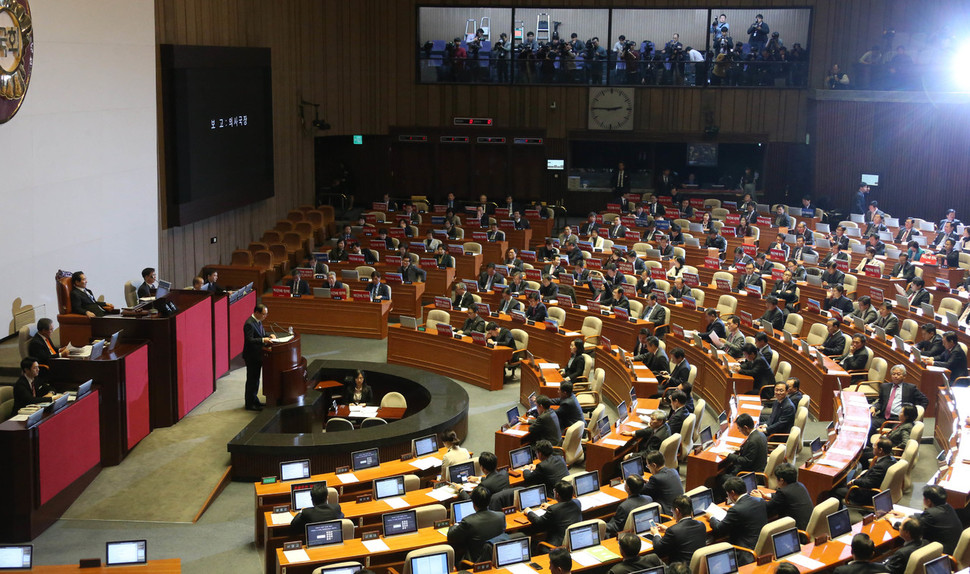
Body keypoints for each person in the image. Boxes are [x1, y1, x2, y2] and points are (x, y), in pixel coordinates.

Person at [709, 476, 768, 564]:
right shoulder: (759, 501)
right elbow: (747, 513)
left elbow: (719, 529)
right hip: (761, 546)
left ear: (732, 493)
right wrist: (730, 512)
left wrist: (711, 517)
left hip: (744, 551)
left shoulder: (736, 510)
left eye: (728, 494)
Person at [447, 485, 505, 562]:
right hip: (498, 558)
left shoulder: (468, 521)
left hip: (477, 561)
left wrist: (455, 525)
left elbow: (451, 536)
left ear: (473, 503)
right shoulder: (501, 516)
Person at [833, 438, 894, 506]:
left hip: (865, 495)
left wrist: (854, 481)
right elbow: (873, 474)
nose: (873, 447)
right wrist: (861, 476)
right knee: (841, 484)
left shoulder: (880, 467)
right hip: (871, 487)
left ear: (880, 450)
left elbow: (869, 483)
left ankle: (839, 512)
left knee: (835, 490)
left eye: (874, 445)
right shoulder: (890, 460)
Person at [525, 480, 583, 549]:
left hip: (557, 545)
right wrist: (551, 506)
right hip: (576, 540)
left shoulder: (554, 509)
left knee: (531, 541)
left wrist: (529, 512)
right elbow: (564, 508)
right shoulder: (577, 502)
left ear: (557, 494)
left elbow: (538, 521)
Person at [649, 495, 706, 564]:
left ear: (677, 511)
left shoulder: (673, 531)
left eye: (672, 511)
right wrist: (667, 529)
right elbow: (684, 534)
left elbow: (658, 549)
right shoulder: (701, 525)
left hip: (679, 569)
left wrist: (656, 533)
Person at [755, 463, 812, 530]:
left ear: (781, 480)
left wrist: (759, 498)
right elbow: (782, 497)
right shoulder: (800, 485)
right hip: (806, 526)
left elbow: (767, 507)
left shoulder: (783, 492)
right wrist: (767, 496)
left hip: (796, 531)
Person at [908, 485, 962, 554]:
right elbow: (925, 518)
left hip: (942, 553)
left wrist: (893, 520)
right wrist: (909, 515)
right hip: (953, 548)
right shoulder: (948, 507)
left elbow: (913, 527)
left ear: (928, 501)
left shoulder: (931, 514)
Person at [243, 304, 274, 410]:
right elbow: (250, 340)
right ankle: (249, 404)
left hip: (258, 355)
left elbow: (261, 335)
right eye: (264, 314)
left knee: (256, 380)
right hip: (251, 356)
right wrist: (262, 340)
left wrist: (269, 336)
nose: (265, 316)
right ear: (257, 313)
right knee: (252, 380)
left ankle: (255, 400)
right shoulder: (249, 324)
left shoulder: (258, 321)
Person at [641, 450, 683, 514]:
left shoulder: (655, 478)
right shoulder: (673, 471)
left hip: (667, 514)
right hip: (679, 510)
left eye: (648, 466)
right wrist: (650, 483)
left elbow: (641, 491)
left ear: (654, 465)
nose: (649, 469)